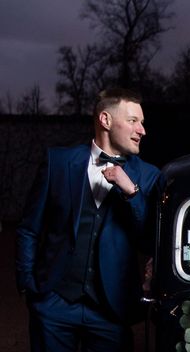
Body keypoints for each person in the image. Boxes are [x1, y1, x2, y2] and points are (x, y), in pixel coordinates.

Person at [15, 88, 164, 352]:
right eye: (133, 121)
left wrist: (131, 191)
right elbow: (29, 228)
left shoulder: (149, 176)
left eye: (142, 123)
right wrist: (30, 285)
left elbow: (149, 240)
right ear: (106, 120)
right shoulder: (58, 162)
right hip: (53, 305)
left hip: (111, 311)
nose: (142, 130)